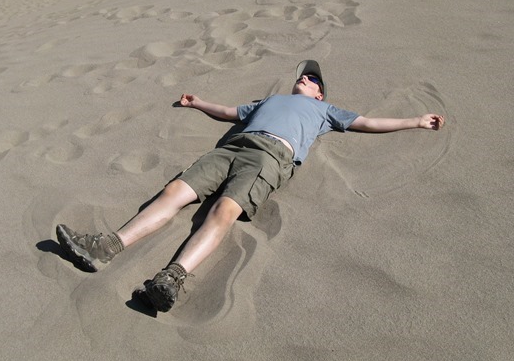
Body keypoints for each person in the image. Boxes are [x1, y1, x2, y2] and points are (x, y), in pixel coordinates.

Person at [56, 60, 444, 313]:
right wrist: (197, 102)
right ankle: (106, 247)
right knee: (175, 191)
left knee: (225, 209)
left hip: (271, 157)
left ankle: (171, 278)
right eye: (302, 75)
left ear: (320, 94)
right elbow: (230, 113)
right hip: (231, 147)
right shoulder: (269, 99)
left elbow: (369, 123)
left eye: (312, 79)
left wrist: (415, 121)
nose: (304, 78)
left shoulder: (326, 111)